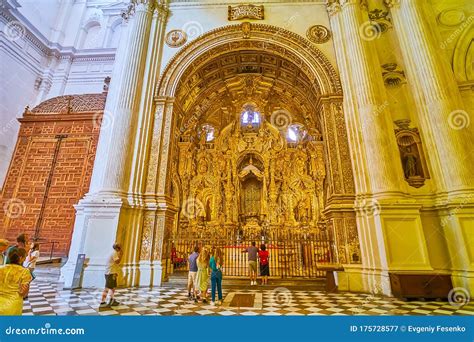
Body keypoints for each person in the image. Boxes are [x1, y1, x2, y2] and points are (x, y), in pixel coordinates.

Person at [0, 247, 32, 315]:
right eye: (25, 256)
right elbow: (23, 293)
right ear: (20, 258)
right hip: (13, 304)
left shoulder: (1, 268)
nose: (26, 258)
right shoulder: (24, 271)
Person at [100, 243, 122, 308]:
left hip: (112, 273)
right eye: (120, 247)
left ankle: (112, 300)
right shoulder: (114, 253)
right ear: (117, 248)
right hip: (110, 273)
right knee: (107, 288)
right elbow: (117, 262)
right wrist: (121, 255)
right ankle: (102, 302)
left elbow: (113, 264)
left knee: (113, 288)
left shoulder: (113, 252)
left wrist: (115, 272)